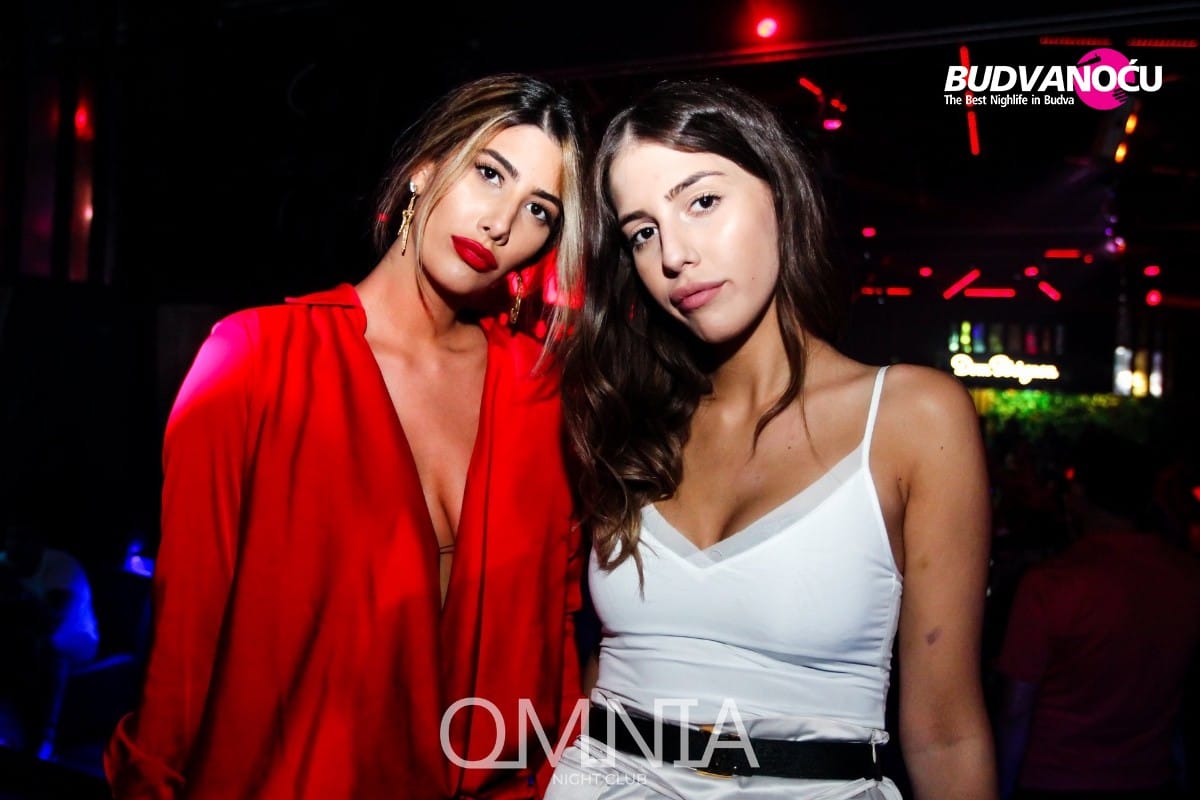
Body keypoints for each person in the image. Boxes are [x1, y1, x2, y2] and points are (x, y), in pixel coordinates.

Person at [104, 72, 590, 799]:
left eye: (538, 210)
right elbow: (184, 637)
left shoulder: (540, 392)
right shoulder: (257, 361)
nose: (500, 222)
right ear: (425, 169)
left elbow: (557, 637)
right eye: (489, 173)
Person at [546, 78, 997, 798]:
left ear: (780, 197)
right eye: (642, 232)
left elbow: (946, 733)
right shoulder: (629, 415)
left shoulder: (911, 417)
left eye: (701, 201)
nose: (674, 255)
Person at [993, 428, 1200, 800]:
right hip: (1151, 779)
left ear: (1078, 494)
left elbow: (1016, 711)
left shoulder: (1051, 584)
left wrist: (1002, 788)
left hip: (1055, 780)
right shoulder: (1186, 576)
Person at [0, 518, 100, 760]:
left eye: (22, 539)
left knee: (49, 652)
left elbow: (51, 623)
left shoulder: (62, 567)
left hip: (75, 640)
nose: (13, 545)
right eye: (10, 538)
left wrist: (15, 590)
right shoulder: (4, 563)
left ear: (39, 544)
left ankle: (44, 741)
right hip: (27, 637)